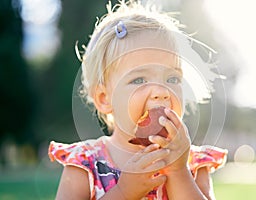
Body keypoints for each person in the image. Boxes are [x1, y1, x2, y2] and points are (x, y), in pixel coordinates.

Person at [48, 1, 227, 199]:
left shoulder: (192, 164)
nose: (161, 91)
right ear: (104, 98)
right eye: (139, 80)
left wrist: (179, 172)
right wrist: (124, 192)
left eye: (172, 78)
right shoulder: (85, 164)